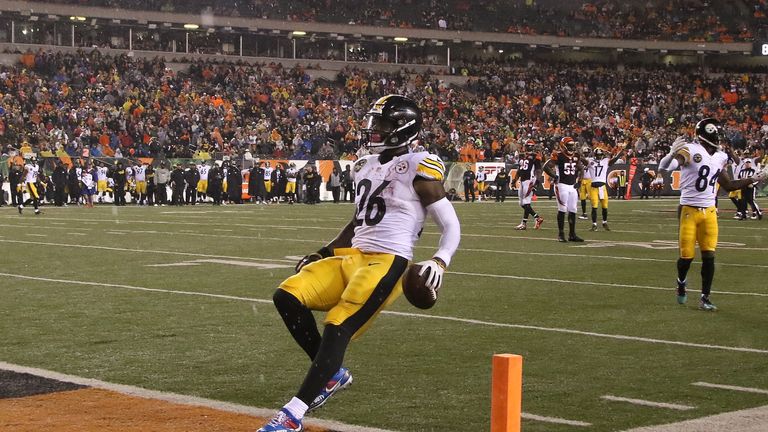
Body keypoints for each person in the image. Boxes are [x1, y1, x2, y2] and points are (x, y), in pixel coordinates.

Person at [257, 95, 461, 432]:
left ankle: (292, 415)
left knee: (339, 325)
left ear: (402, 128)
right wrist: (325, 251)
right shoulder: (365, 164)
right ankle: (331, 373)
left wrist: (440, 260)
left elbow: (450, 223)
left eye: (381, 124)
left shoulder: (420, 164)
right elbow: (357, 222)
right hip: (352, 256)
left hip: (387, 262)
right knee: (287, 295)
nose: (373, 130)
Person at [659, 118, 766, 311]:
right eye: (717, 132)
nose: (720, 136)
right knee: (687, 257)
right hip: (688, 210)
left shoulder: (720, 157)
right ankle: (681, 282)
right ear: (709, 133)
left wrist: (755, 178)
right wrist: (671, 154)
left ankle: (705, 297)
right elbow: (667, 167)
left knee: (709, 256)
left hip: (709, 212)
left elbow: (730, 185)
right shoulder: (690, 150)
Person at [543, 136, 584, 242]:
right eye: (569, 145)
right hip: (561, 185)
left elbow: (581, 168)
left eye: (572, 145)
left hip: (572, 185)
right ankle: (561, 234)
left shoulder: (576, 156)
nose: (571, 147)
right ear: (564, 146)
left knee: (573, 210)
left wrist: (579, 181)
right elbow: (546, 167)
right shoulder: (559, 156)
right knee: (562, 209)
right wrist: (554, 176)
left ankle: (572, 234)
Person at [588, 145, 624, 231]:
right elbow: (582, 160)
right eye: (597, 155)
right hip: (593, 187)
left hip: (602, 187)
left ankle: (604, 222)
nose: (599, 156)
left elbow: (615, 159)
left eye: (600, 155)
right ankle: (594, 224)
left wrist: (620, 153)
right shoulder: (590, 161)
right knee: (594, 207)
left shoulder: (605, 161)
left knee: (605, 206)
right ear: (594, 155)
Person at [512, 139, 543, 230]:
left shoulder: (535, 156)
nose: (528, 148)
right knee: (522, 203)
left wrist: (537, 181)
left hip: (529, 181)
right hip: (522, 181)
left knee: (526, 202)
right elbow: (520, 169)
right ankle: (535, 218)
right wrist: (515, 179)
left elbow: (538, 170)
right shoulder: (523, 156)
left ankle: (527, 222)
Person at [578, 145, 593, 219]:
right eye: (585, 153)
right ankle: (584, 213)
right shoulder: (580, 160)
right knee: (582, 197)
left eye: (587, 153)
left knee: (591, 197)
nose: (586, 154)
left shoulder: (591, 159)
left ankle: (594, 211)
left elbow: (587, 162)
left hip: (589, 179)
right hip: (582, 179)